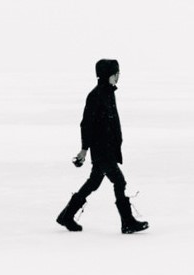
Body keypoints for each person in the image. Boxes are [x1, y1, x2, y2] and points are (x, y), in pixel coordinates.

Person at [57, 59, 148, 233]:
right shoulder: (96, 95)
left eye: (118, 73)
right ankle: (127, 222)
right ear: (107, 75)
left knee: (93, 182)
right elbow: (86, 124)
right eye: (115, 73)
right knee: (119, 182)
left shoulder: (108, 93)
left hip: (108, 148)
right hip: (102, 149)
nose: (118, 76)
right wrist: (84, 149)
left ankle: (67, 216)